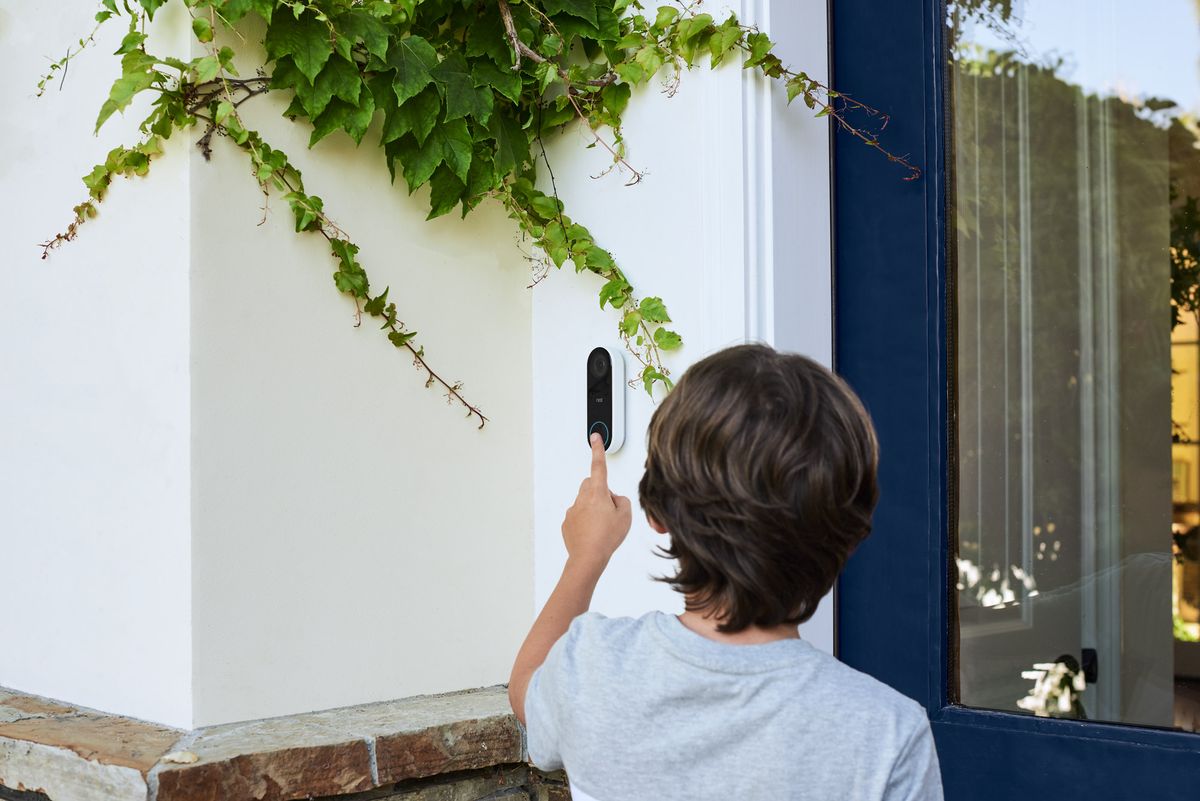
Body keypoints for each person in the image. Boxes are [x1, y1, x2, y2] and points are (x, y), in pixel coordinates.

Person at [508, 344, 943, 801]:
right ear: (850, 536)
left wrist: (586, 556)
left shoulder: (592, 668)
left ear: (655, 513)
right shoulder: (886, 735)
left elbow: (526, 689)